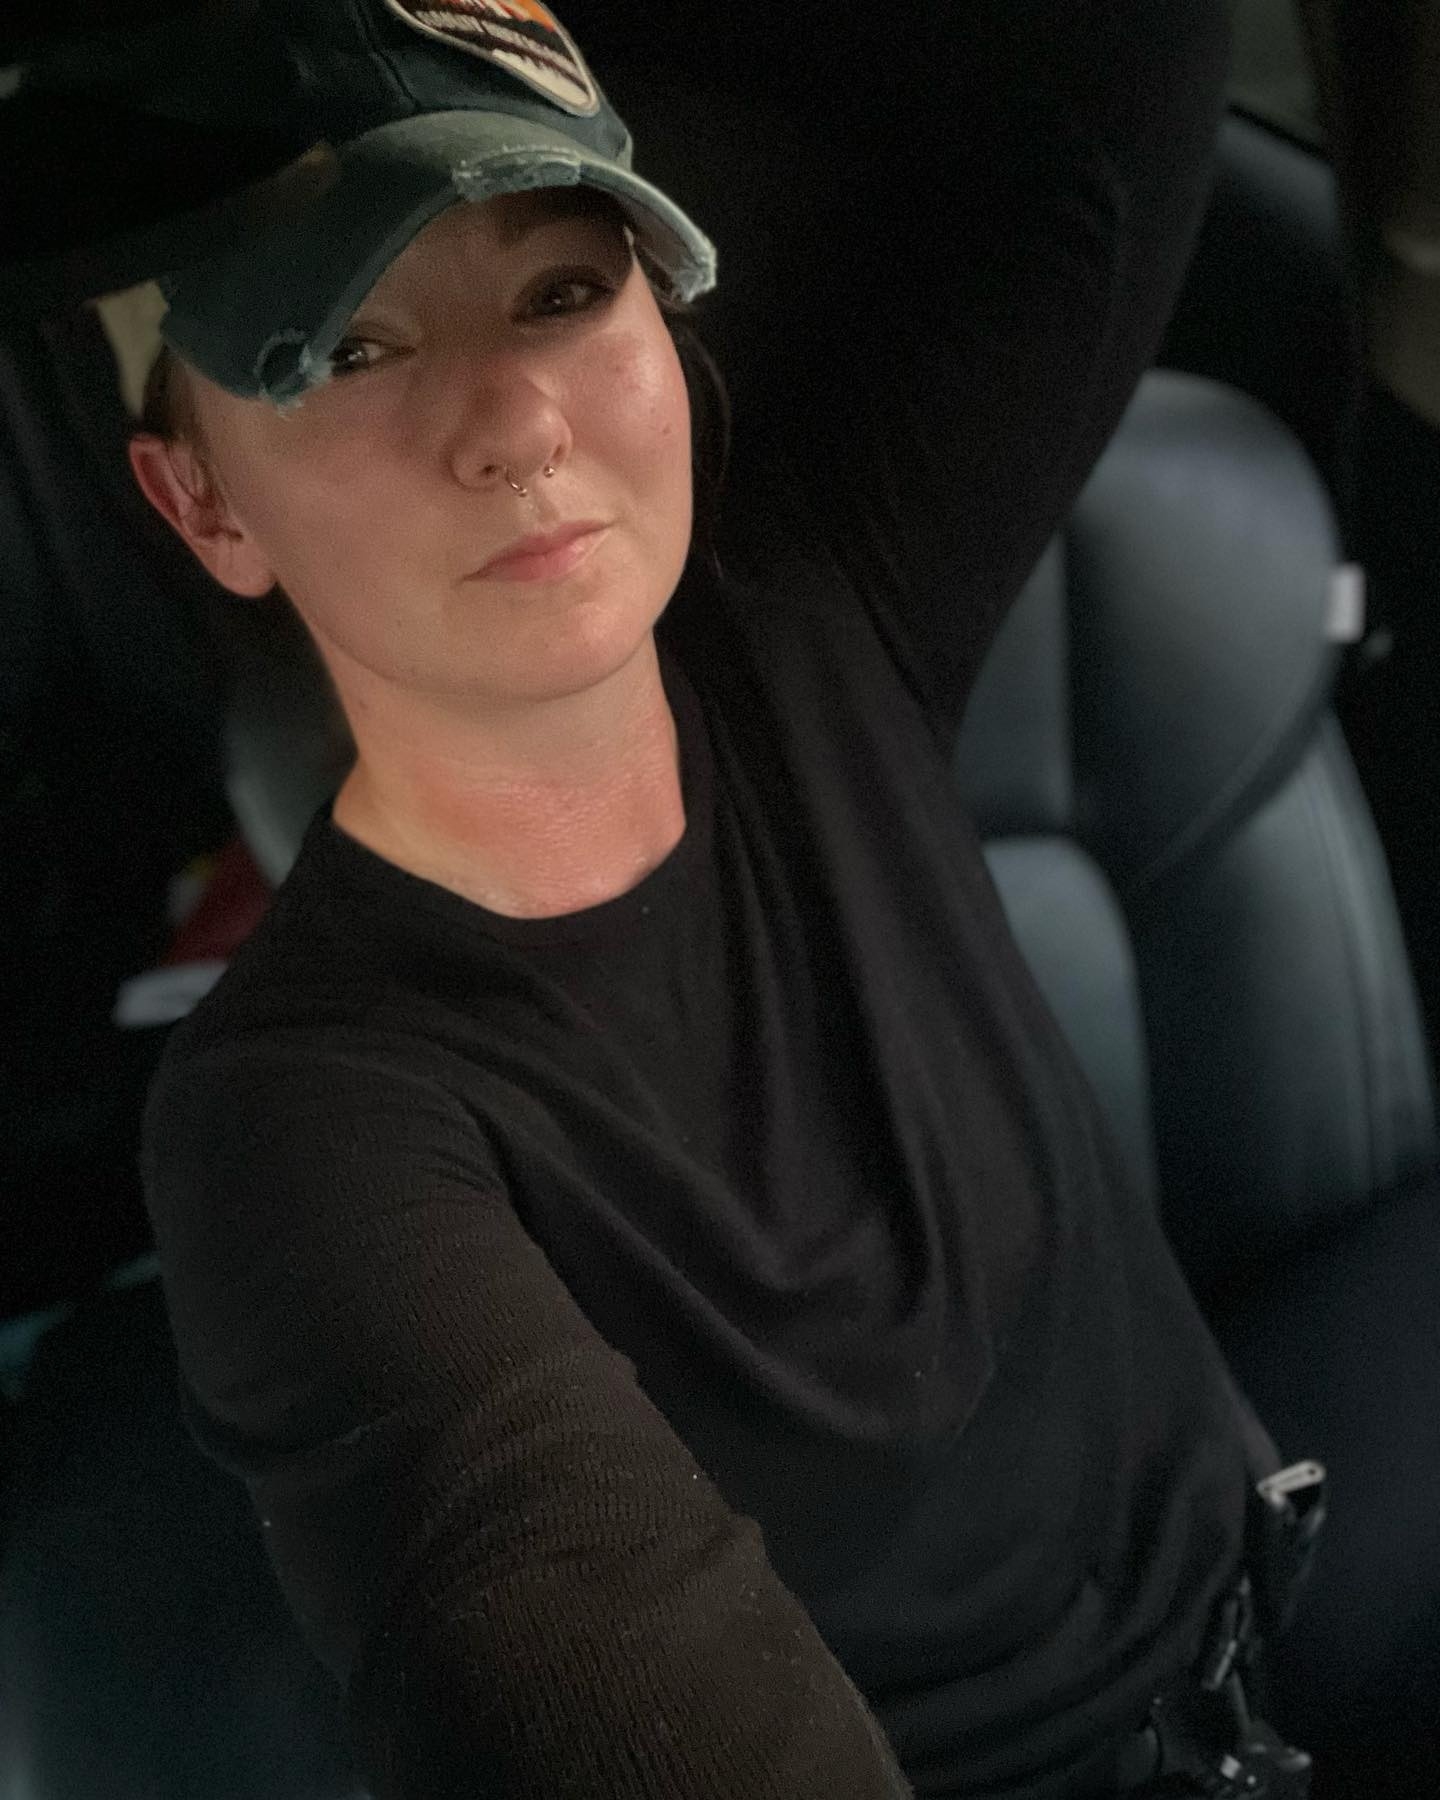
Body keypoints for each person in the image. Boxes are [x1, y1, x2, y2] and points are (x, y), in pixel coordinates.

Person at [56, 0, 1316, 1792]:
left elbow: (1109, 84)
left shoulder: (819, 607)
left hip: (1264, 1618)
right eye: (348, 346)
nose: (514, 422)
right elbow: (557, 1606)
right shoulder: (294, 1126)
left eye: (565, 291)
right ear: (202, 506)